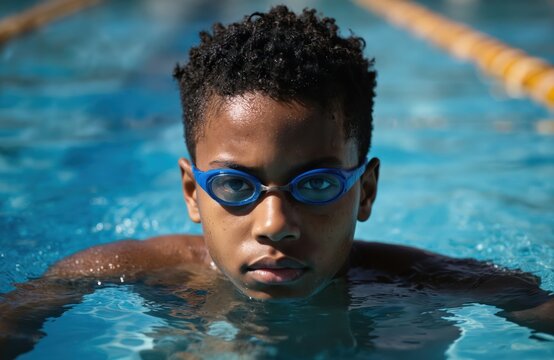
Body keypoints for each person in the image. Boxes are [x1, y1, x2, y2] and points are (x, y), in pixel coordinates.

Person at [1, 5, 553, 358]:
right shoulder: (118, 273)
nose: (276, 225)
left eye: (315, 185)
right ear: (193, 193)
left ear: (366, 191)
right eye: (236, 186)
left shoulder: (435, 282)